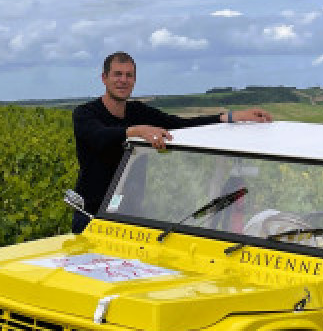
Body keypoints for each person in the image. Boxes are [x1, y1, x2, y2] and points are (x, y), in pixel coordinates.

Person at [71, 51, 272, 232]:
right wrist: (136, 131)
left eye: (129, 75)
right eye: (117, 74)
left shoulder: (138, 111)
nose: (123, 80)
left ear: (134, 80)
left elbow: (178, 124)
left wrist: (228, 117)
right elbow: (99, 137)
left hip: (130, 215)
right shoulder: (85, 114)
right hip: (92, 215)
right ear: (104, 78)